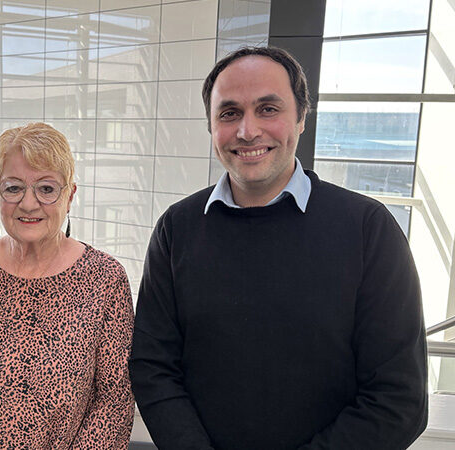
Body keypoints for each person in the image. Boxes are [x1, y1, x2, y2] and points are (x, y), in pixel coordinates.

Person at [129, 46, 428, 450]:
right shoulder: (176, 229)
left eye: (268, 109)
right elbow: (154, 367)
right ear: (211, 126)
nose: (247, 131)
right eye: (229, 113)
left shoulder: (368, 229)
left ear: (302, 117)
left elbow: (399, 399)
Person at [0, 122, 135, 449]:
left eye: (46, 188)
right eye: (14, 188)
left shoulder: (105, 279)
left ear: (70, 196)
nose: (29, 203)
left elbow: (114, 400)